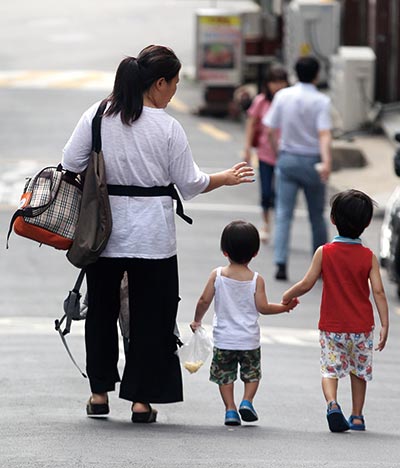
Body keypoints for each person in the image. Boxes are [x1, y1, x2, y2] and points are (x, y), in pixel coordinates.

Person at [62, 45, 255, 423]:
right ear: (158, 83)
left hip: (103, 235)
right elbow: (190, 183)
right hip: (153, 238)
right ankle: (140, 401)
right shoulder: (167, 128)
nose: (175, 92)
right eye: (175, 84)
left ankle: (99, 394)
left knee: (101, 311)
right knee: (152, 318)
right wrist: (226, 178)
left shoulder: (98, 115)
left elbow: (70, 162)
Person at [281, 190, 389, 432]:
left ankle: (332, 404)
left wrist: (289, 295)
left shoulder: (324, 252)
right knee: (358, 372)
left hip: (332, 327)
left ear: (332, 218)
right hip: (361, 328)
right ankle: (358, 416)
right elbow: (379, 292)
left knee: (330, 370)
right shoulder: (368, 257)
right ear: (367, 223)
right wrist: (385, 323)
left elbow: (307, 283)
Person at [190, 220, 298, 426]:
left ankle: (230, 409)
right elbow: (263, 307)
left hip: (224, 340)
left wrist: (197, 320)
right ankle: (247, 401)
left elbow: (204, 300)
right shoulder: (256, 280)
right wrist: (284, 307)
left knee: (225, 376)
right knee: (252, 374)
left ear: (224, 251)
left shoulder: (218, 275)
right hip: (249, 339)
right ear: (255, 252)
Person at [262, 56, 332, 280]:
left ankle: (281, 263)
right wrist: (327, 162)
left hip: (288, 158)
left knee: (283, 214)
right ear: (316, 75)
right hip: (312, 160)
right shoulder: (321, 101)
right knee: (316, 215)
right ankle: (320, 263)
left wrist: (277, 152)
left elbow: (271, 129)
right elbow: (324, 134)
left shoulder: (283, 96)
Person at [243, 64, 289, 243]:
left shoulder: (288, 101)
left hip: (285, 153)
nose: (277, 86)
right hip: (265, 154)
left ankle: (280, 225)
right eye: (273, 82)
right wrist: (247, 147)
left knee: (281, 193)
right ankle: (266, 224)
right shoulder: (261, 101)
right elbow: (251, 123)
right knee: (266, 192)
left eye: (281, 82)